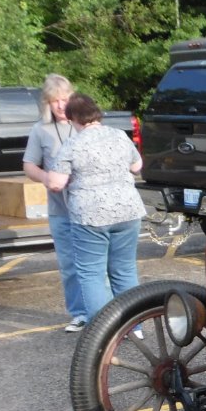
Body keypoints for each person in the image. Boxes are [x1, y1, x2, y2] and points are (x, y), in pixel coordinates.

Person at [45, 93, 146, 326]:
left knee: (92, 274)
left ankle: (105, 331)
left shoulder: (73, 144)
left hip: (90, 216)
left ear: (73, 118)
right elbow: (137, 166)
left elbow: (56, 183)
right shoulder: (119, 135)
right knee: (124, 270)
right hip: (128, 211)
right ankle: (135, 327)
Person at [22, 74, 87, 331]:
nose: (61, 106)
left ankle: (105, 313)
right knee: (69, 264)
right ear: (47, 103)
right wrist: (46, 177)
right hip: (60, 208)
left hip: (89, 208)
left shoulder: (84, 124)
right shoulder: (40, 129)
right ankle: (79, 313)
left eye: (65, 99)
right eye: (55, 101)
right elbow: (29, 165)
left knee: (95, 264)